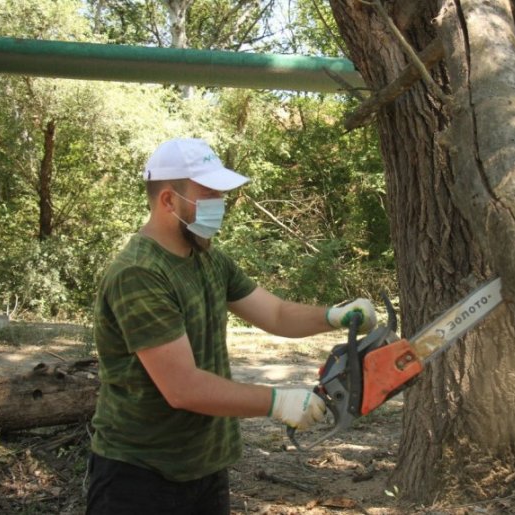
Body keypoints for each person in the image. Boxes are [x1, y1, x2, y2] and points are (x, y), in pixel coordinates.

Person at [86, 137, 376, 515]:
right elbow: (183, 388)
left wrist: (333, 316)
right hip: (140, 475)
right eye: (208, 194)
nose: (219, 205)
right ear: (169, 200)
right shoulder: (140, 273)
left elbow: (273, 313)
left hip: (205, 467)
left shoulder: (208, 258)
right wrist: (277, 401)